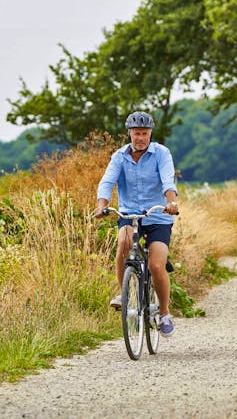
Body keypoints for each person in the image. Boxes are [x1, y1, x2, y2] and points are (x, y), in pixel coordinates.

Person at [93, 111, 180, 337]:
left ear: (150, 134)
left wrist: (171, 202)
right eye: (136, 133)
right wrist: (102, 205)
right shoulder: (119, 156)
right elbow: (107, 182)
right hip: (129, 213)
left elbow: (168, 181)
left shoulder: (161, 153)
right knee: (123, 242)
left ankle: (164, 313)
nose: (140, 138)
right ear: (129, 134)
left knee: (156, 265)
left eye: (144, 133)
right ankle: (124, 293)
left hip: (158, 215)